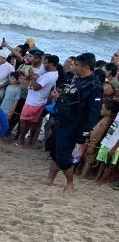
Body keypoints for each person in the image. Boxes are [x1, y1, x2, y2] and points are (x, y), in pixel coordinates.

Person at [45, 53, 103, 193]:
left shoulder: (95, 86)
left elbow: (94, 113)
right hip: (61, 119)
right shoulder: (77, 80)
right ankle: (50, 179)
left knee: (64, 157)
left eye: (77, 65)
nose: (74, 67)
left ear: (87, 66)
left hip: (73, 125)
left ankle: (70, 183)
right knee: (54, 151)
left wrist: (85, 131)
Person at [17, 54, 60, 147]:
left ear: (51, 64)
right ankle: (29, 142)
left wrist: (33, 78)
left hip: (34, 101)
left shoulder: (49, 75)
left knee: (24, 121)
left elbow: (36, 87)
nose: (43, 64)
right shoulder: (51, 72)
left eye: (45, 62)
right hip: (38, 100)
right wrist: (32, 76)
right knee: (32, 122)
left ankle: (21, 140)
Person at [79, 100, 119, 178]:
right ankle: (82, 173)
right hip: (92, 141)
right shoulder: (104, 119)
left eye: (102, 109)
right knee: (87, 158)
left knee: (89, 160)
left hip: (94, 142)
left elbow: (101, 133)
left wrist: (93, 144)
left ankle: (84, 175)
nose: (100, 110)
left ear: (109, 111)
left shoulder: (105, 121)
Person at [95, 113, 119, 183]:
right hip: (108, 140)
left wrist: (114, 148)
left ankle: (102, 180)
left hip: (115, 145)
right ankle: (97, 178)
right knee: (103, 161)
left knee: (111, 164)